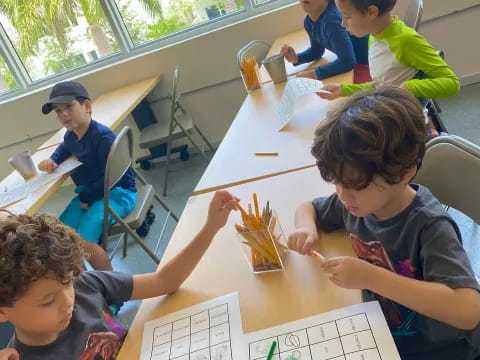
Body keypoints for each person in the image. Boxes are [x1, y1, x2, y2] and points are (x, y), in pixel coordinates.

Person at [288, 87, 480, 359]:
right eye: (337, 182)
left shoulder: (429, 226)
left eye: (355, 184)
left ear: (405, 172)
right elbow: (308, 208)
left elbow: (468, 311)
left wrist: (372, 278)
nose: (342, 195)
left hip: (441, 349)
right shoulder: (356, 204)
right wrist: (305, 228)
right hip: (389, 331)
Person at [0, 190, 239, 360]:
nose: (67, 302)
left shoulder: (85, 285)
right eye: (47, 302)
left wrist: (211, 227)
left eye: (66, 283)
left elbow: (165, 281)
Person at [318, 0, 460, 136]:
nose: (342, 24)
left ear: (372, 12)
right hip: (390, 113)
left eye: (346, 16)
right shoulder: (374, 36)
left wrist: (410, 87)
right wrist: (344, 89)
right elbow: (382, 85)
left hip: (405, 126)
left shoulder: (406, 41)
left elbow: (452, 83)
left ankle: (429, 134)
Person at [38, 81, 137, 271]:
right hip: (92, 192)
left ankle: (113, 291)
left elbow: (112, 178)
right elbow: (64, 147)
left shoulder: (103, 137)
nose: (63, 114)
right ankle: (86, 287)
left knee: (83, 241)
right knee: (60, 236)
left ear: (87, 107)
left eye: (68, 106)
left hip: (117, 192)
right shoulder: (71, 135)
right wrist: (53, 160)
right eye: (58, 111)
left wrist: (86, 197)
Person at [280, 0, 369, 81]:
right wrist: (296, 58)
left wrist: (315, 74)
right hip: (357, 65)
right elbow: (317, 51)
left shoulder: (331, 21)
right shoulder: (308, 21)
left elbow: (347, 61)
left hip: (367, 65)